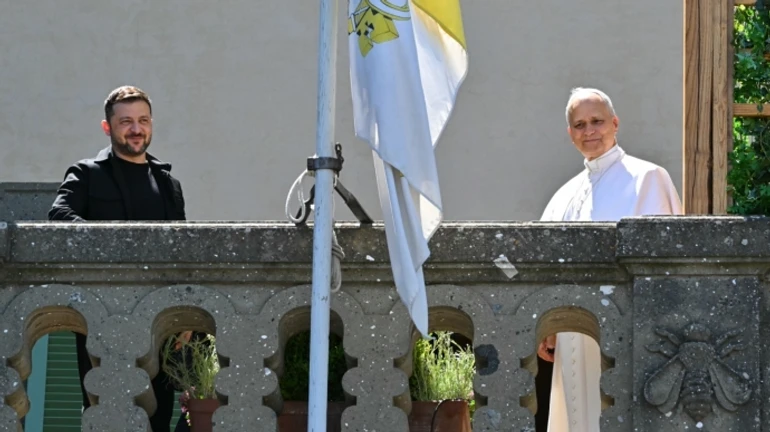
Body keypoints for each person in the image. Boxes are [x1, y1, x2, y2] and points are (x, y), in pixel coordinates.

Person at [537, 87, 682, 431]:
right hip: (573, 331)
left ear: (615, 124)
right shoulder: (563, 195)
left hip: (627, 329)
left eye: (597, 121)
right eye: (579, 124)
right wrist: (547, 324)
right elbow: (544, 269)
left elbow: (664, 265)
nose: (589, 131)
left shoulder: (648, 178)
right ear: (570, 133)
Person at [49, 85, 192, 432]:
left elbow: (183, 251)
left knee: (159, 416)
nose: (136, 129)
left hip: (160, 318)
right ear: (107, 127)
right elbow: (59, 216)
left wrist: (186, 311)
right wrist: (112, 245)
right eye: (126, 121)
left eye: (143, 120)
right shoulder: (86, 173)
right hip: (102, 315)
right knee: (106, 414)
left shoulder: (168, 183)